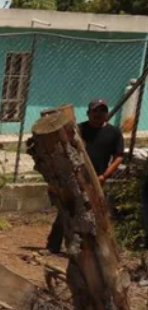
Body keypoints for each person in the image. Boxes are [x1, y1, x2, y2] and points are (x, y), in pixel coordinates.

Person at [47, 99, 124, 253]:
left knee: (92, 213)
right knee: (67, 208)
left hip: (96, 179)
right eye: (95, 111)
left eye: (102, 111)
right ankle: (53, 245)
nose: (98, 114)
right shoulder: (79, 130)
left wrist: (104, 175)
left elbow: (119, 156)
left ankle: (88, 248)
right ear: (89, 113)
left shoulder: (114, 133)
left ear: (106, 114)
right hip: (74, 177)